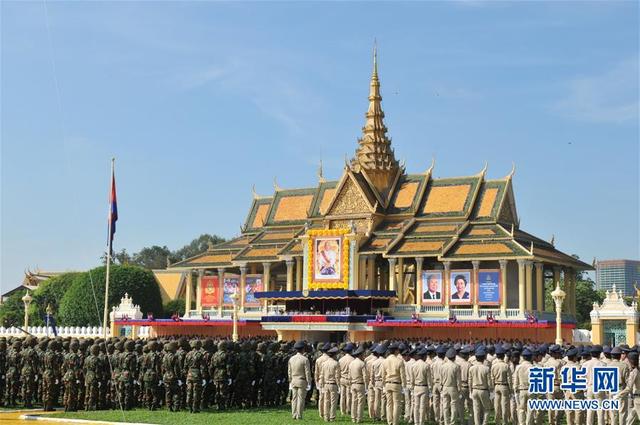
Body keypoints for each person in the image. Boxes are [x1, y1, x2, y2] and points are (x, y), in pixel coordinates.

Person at [381, 342, 406, 425]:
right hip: (396, 383)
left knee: (389, 403)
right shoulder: (399, 361)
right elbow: (403, 375)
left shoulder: (385, 361)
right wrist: (404, 386)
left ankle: (390, 421)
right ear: (396, 351)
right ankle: (395, 422)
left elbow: (383, 374)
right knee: (397, 403)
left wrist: (383, 384)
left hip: (387, 383)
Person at [288, 340, 312, 420]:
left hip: (294, 380)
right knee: (301, 399)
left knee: (294, 398)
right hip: (302, 380)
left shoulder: (291, 359)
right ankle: (299, 415)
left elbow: (289, 371)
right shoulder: (305, 359)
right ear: (303, 349)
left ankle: (293, 414)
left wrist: (290, 380)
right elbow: (307, 372)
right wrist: (309, 382)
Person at [469, 348, 492, 425]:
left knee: (476, 410)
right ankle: (484, 423)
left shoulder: (471, 368)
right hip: (484, 390)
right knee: (487, 409)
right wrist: (491, 392)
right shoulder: (486, 368)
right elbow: (489, 382)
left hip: (474, 390)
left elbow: (470, 381)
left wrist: (470, 391)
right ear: (484, 358)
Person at [319, 346, 340, 422]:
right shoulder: (336, 363)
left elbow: (321, 374)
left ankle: (326, 417)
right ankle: (332, 416)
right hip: (333, 384)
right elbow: (337, 376)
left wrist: (321, 384)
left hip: (325, 384)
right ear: (334, 355)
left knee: (326, 400)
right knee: (333, 401)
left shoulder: (324, 363)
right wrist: (339, 386)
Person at [348, 345, 368, 423]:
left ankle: (353, 418)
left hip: (353, 384)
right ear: (360, 355)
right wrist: (366, 386)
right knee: (360, 402)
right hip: (360, 384)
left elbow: (349, 375)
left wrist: (350, 384)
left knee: (354, 401)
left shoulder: (351, 363)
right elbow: (365, 376)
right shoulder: (362, 363)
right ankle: (359, 418)